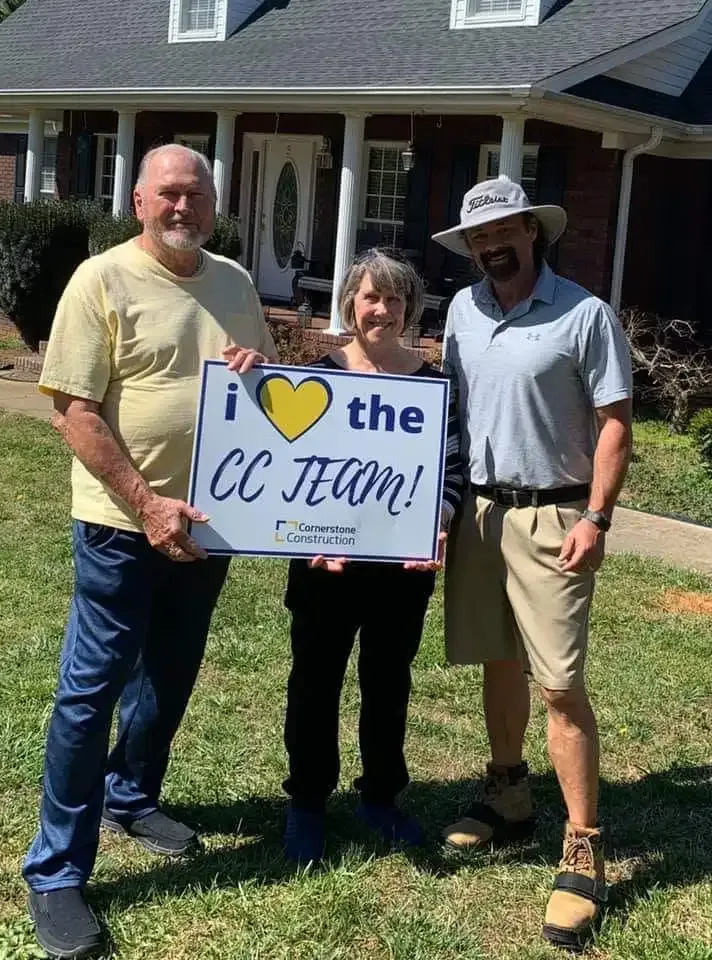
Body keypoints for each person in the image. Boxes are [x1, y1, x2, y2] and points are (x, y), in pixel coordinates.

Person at [25, 144, 277, 960]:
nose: (183, 207)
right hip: (121, 524)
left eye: (196, 195)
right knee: (89, 693)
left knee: (170, 672)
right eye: (168, 194)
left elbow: (263, 389)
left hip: (209, 524)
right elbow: (73, 410)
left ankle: (131, 796)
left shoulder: (235, 282)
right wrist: (147, 503)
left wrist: (260, 367)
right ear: (138, 200)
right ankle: (57, 872)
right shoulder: (100, 279)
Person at [432, 176, 633, 951]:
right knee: (497, 661)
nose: (490, 248)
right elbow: (440, 410)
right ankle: (508, 794)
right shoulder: (460, 311)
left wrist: (597, 516)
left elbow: (616, 423)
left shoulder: (584, 315)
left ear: (531, 234)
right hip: (480, 514)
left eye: (503, 233)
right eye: (479, 238)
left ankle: (584, 849)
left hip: (556, 516)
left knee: (559, 685)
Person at [279, 248, 463, 863]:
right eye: (369, 297)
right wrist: (306, 532)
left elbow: (451, 472)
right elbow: (294, 472)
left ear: (410, 308)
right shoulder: (317, 377)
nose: (381, 309)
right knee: (314, 683)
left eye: (394, 299)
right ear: (349, 305)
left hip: (401, 570)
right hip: (324, 569)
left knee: (387, 684)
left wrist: (436, 524)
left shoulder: (433, 386)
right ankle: (306, 802)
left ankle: (379, 797)